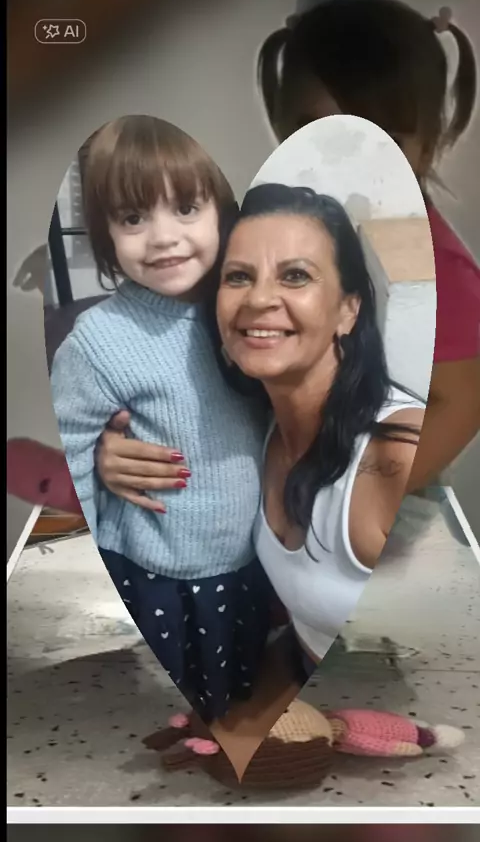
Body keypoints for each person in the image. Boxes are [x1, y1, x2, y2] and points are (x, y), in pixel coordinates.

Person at [103, 182, 425, 674]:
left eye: (295, 276)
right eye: (238, 277)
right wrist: (107, 459)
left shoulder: (396, 454)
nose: (259, 299)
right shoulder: (255, 425)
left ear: (348, 308)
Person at [49, 115, 273, 724]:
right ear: (104, 234)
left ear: (222, 210)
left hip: (249, 559)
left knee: (239, 696)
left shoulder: (251, 308)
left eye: (187, 208)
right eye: (132, 218)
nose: (163, 238)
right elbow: (68, 462)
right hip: (158, 573)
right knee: (165, 716)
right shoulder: (97, 341)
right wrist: (97, 464)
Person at [257, 0, 480, 490]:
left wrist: (359, 497)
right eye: (317, 131)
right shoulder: (284, 222)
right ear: (280, 125)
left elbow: (462, 398)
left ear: (428, 144)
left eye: (387, 139)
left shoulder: (429, 264)